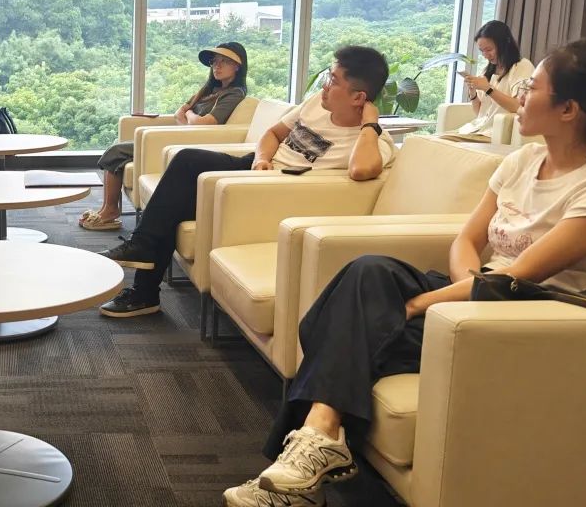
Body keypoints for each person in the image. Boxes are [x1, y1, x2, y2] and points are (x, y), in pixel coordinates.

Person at [223, 39, 586, 507]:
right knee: (368, 271)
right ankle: (315, 446)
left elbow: (518, 278)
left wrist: (415, 306)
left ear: (568, 109)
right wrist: (458, 286)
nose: (516, 96)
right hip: (477, 290)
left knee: (341, 326)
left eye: (531, 88)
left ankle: (304, 463)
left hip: (525, 314)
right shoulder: (522, 162)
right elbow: (467, 240)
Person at [97, 46, 397, 317]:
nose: (325, 86)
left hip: (275, 192)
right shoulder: (315, 104)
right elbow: (273, 134)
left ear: (359, 97)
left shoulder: (374, 141)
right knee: (186, 161)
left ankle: (144, 282)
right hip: (257, 168)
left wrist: (370, 124)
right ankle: (143, 274)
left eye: (333, 80)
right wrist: (261, 159)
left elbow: (361, 170)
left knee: (175, 200)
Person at [80, 43, 249, 231]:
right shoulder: (210, 90)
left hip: (190, 144)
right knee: (118, 147)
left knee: (117, 150)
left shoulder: (234, 93)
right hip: (181, 137)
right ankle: (107, 208)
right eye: (214, 61)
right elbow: (179, 113)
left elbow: (204, 123)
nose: (217, 66)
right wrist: (190, 121)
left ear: (237, 66)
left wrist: (190, 114)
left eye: (224, 61)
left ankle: (110, 210)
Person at [445, 20, 535, 141]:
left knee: (439, 143)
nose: (485, 55)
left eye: (489, 49)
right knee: (433, 140)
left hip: (493, 134)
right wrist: (473, 93)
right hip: (477, 129)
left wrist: (488, 89)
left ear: (504, 44)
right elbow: (480, 113)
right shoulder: (487, 70)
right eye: (482, 51)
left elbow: (518, 106)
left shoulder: (521, 66)